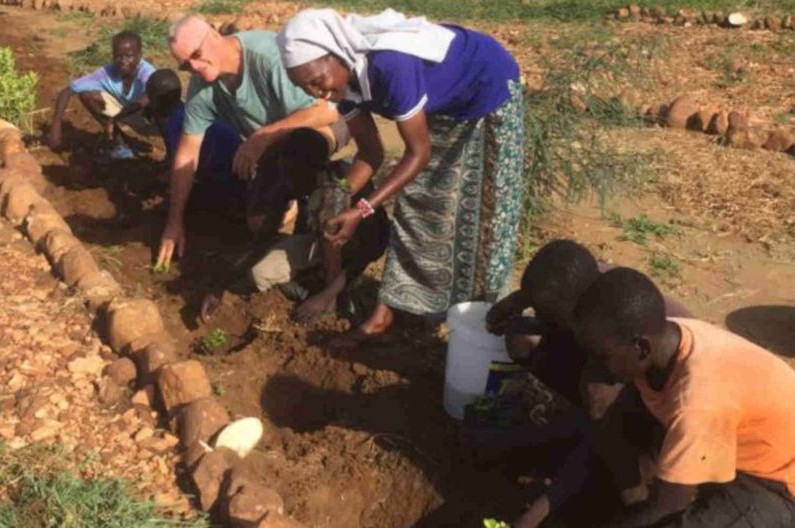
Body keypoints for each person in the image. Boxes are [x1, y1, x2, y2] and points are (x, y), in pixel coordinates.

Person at [277, 8, 526, 347]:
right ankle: (385, 314)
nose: (315, 93)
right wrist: (340, 192)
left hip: (486, 90)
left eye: (317, 80)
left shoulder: (390, 65)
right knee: (417, 202)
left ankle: (488, 325)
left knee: (484, 216)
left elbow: (418, 155)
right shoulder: (342, 87)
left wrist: (362, 209)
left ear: (338, 55)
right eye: (304, 86)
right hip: (443, 106)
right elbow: (370, 154)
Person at [484, 240, 690, 528]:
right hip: (622, 373)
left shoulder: (618, 337)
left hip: (663, 415)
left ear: (578, 311)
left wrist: (536, 514)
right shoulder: (588, 284)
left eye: (549, 315)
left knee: (599, 405)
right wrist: (515, 302)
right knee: (523, 339)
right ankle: (586, 426)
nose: (542, 320)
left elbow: (598, 420)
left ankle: (630, 487)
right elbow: (550, 285)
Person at [573, 268, 795, 527]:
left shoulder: (698, 401)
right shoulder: (670, 338)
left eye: (602, 357)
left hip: (776, 484)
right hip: (735, 447)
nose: (595, 367)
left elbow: (668, 506)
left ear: (641, 349)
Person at [154, 14, 346, 270]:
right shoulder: (201, 90)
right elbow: (187, 154)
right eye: (186, 65)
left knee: (299, 147)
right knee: (258, 223)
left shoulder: (266, 57)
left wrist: (261, 136)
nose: (196, 67)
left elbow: (326, 110)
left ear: (213, 33)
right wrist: (174, 222)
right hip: (274, 144)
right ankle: (292, 204)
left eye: (197, 54)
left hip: (321, 125)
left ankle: (334, 187)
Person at [200, 128, 390, 324]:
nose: (284, 174)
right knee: (261, 274)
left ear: (309, 166)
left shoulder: (345, 182)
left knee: (329, 214)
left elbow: (371, 247)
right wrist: (219, 289)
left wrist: (328, 294)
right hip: (320, 245)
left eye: (288, 168)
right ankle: (313, 286)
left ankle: (335, 298)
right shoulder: (295, 181)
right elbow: (263, 238)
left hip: (359, 249)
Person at [45, 30, 155, 161]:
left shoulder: (147, 72)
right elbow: (67, 91)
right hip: (128, 114)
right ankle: (119, 142)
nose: (123, 61)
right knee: (86, 94)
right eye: (118, 56)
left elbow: (150, 95)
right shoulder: (107, 72)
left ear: (139, 55)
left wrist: (116, 118)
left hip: (152, 119)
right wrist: (56, 127)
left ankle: (172, 154)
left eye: (129, 56)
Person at [144, 68, 244, 209]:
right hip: (241, 164)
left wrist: (165, 181)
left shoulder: (176, 125)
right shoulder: (190, 110)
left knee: (178, 195)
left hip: (228, 177)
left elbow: (183, 167)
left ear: (156, 101)